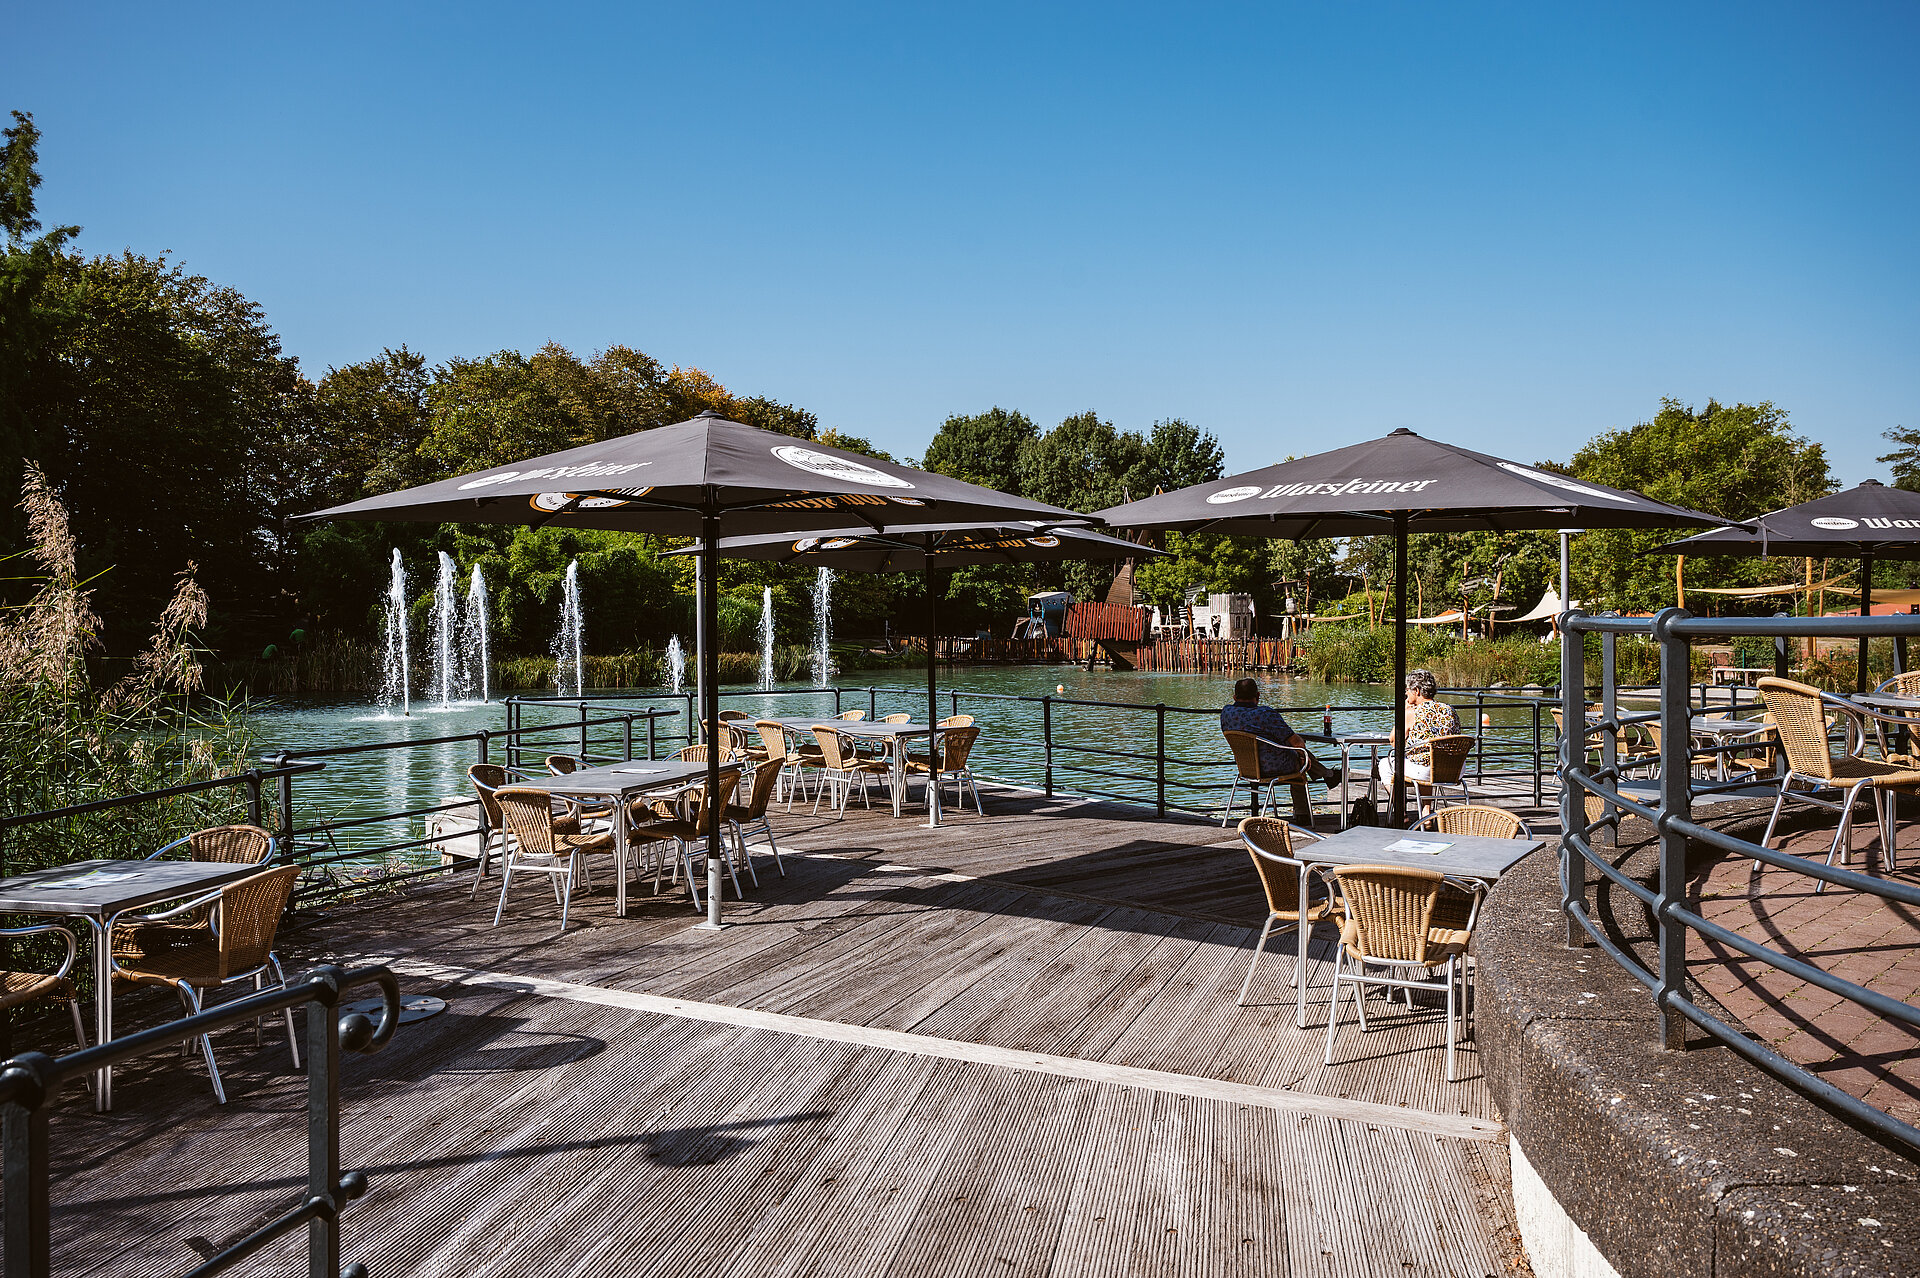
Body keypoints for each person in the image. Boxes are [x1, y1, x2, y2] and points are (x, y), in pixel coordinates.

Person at [1219, 678, 1342, 786]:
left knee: (1295, 752)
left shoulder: (1227, 713)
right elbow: (1296, 741)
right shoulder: (1265, 714)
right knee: (1300, 758)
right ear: (1258, 696)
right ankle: (1326, 778)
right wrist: (1302, 755)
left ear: (1235, 697)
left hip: (1246, 768)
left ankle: (1328, 775)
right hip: (1273, 767)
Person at [1375, 669, 1461, 783]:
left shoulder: (1413, 713)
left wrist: (1403, 712)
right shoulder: (1449, 709)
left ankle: (1397, 801)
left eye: (1407, 690)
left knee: (1385, 765)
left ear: (1416, 691)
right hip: (1455, 768)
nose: (1406, 693)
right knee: (1423, 760)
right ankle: (1426, 801)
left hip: (1426, 770)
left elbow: (1394, 742)